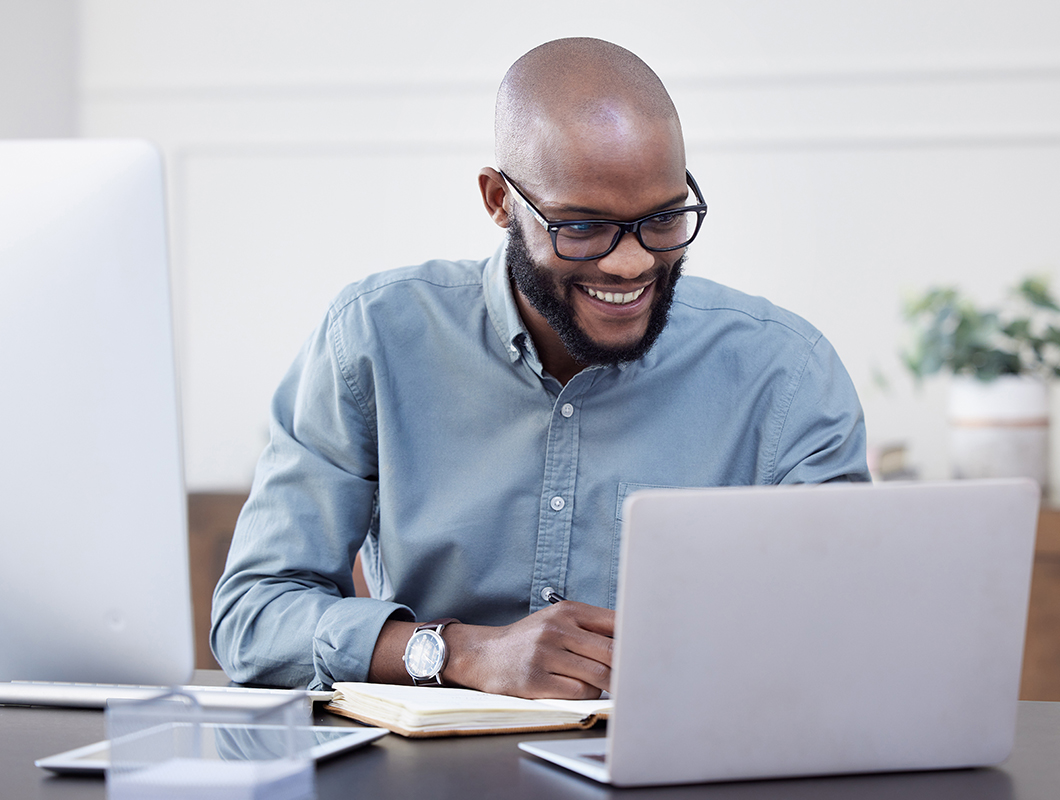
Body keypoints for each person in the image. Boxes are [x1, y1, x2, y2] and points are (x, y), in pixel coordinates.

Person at [211, 37, 869, 699]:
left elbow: (856, 632)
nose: (631, 263)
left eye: (664, 219)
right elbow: (254, 618)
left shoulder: (785, 373)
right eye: (583, 227)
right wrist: (454, 652)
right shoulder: (374, 340)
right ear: (499, 200)